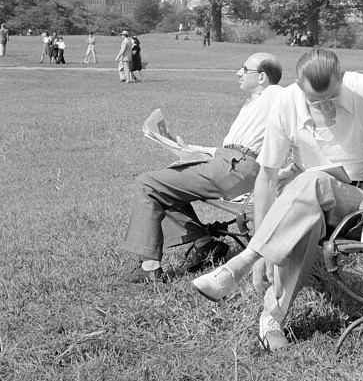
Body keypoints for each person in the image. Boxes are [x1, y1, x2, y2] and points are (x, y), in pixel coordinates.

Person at [192, 48, 363, 351]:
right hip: (303, 201)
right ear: (299, 87)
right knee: (308, 208)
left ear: (341, 78)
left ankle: (238, 264)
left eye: (332, 97)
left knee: (312, 180)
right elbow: (266, 178)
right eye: (315, 102)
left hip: (358, 202)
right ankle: (273, 316)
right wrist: (262, 243)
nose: (326, 107)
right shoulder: (286, 102)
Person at [119, 53, 286, 283]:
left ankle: (150, 268)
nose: (238, 73)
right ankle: (205, 245)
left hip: (236, 168)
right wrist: (189, 148)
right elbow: (227, 149)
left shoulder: (275, 94)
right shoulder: (255, 102)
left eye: (244, 69)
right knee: (164, 182)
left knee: (148, 183)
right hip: (230, 163)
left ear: (262, 77)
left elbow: (295, 100)